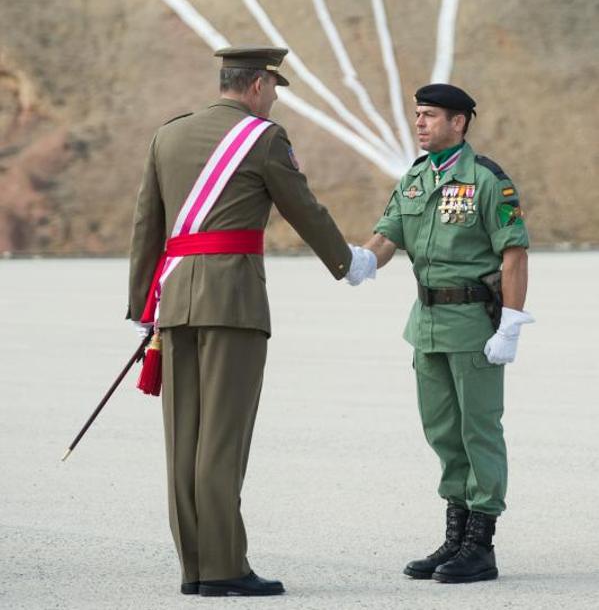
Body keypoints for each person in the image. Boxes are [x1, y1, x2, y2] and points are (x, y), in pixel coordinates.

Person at [127, 46, 362, 597]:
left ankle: (194, 569)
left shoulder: (169, 135)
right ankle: (224, 568)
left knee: (184, 439)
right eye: (275, 89)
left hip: (174, 301)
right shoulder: (263, 138)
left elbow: (147, 224)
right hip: (232, 302)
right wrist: (348, 262)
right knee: (223, 440)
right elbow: (302, 207)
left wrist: (143, 308)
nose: (275, 100)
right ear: (257, 85)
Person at [348, 83, 533, 584]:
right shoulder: (413, 179)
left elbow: (513, 252)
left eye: (429, 115)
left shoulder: (487, 180)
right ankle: (454, 536)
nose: (420, 123)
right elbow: (388, 235)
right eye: (417, 115)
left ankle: (481, 544)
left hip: (474, 327)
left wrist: (511, 323)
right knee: (443, 433)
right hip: (426, 326)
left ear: (459, 122)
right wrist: (363, 259)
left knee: (479, 431)